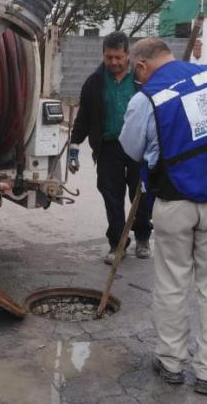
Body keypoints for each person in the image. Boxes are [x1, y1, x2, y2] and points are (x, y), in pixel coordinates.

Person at [119, 38, 207, 396]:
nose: (135, 77)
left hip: (174, 202)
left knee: (173, 283)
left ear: (142, 66)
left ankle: (171, 361)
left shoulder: (146, 99)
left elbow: (131, 148)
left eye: (134, 71)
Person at [68, 31, 153, 265]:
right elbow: (84, 118)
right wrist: (73, 148)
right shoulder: (94, 82)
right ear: (103, 55)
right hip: (108, 148)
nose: (113, 62)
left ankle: (143, 235)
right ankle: (117, 243)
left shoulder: (141, 79)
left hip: (139, 146)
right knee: (111, 197)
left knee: (142, 194)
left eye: (118, 57)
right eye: (109, 57)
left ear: (128, 55)